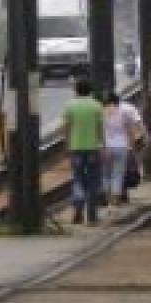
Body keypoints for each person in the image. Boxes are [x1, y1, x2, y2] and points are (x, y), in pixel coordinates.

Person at [63, 79, 104, 224]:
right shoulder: (97, 105)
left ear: (76, 90)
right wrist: (102, 147)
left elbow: (67, 128)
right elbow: (100, 129)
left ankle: (78, 210)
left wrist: (66, 146)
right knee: (93, 181)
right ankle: (92, 215)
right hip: (93, 148)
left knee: (78, 179)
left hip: (75, 148)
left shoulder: (70, 106)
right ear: (90, 90)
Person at [102, 91, 144, 209]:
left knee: (106, 175)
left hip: (107, 147)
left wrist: (101, 147)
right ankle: (115, 203)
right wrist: (132, 147)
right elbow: (131, 130)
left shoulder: (102, 113)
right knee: (118, 175)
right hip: (122, 146)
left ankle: (108, 201)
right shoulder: (123, 112)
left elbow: (99, 132)